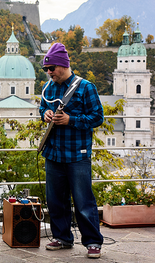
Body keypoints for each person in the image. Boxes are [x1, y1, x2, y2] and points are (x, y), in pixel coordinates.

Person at [40, 43, 104, 259]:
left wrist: (70, 120)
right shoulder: (49, 88)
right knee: (56, 200)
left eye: (51, 68)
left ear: (63, 65)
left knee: (83, 200)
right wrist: (46, 114)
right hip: (53, 154)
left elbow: (97, 118)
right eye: (45, 69)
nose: (48, 73)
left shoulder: (86, 87)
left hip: (78, 154)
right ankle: (62, 237)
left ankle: (93, 241)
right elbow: (42, 108)